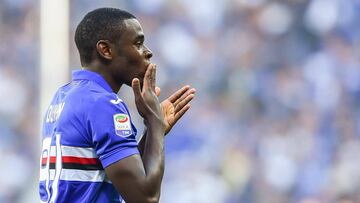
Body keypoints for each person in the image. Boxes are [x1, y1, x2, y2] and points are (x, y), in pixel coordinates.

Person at [38, 8, 196, 203]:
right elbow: (145, 197)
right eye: (138, 43)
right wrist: (155, 122)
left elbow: (120, 174)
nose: (148, 52)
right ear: (106, 50)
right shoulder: (102, 104)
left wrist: (152, 132)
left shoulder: (63, 96)